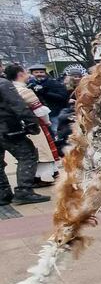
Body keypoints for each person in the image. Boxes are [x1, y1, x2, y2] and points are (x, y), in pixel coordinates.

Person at [0, 67, 48, 205]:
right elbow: (17, 104)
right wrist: (31, 123)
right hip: (7, 128)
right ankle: (24, 191)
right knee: (28, 155)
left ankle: (3, 193)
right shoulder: (3, 84)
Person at [10, 64, 60, 185]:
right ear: (20, 74)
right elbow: (39, 110)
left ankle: (33, 177)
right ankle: (40, 177)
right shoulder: (24, 90)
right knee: (41, 151)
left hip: (17, 125)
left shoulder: (10, 89)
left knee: (29, 153)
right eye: (26, 73)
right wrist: (46, 121)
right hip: (33, 125)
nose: (29, 75)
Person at [27, 65, 70, 136]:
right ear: (32, 74)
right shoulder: (30, 85)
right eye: (36, 72)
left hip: (54, 113)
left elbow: (63, 97)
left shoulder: (53, 83)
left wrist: (45, 93)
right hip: (38, 116)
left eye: (41, 72)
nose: (39, 74)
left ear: (45, 73)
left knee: (55, 132)